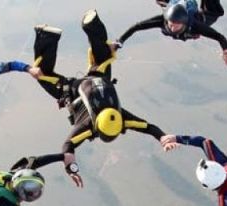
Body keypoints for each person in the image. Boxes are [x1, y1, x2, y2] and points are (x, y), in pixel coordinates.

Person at [32, 10, 178, 187]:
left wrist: (162, 137)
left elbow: (148, 127)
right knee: (43, 76)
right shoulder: (88, 125)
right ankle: (46, 36)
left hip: (99, 76)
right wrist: (71, 168)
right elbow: (68, 146)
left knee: (102, 57)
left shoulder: (122, 118)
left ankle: (92, 24)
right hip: (72, 89)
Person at [116, 0, 227, 63]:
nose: (172, 28)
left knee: (214, 12)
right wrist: (119, 42)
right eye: (171, 24)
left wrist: (225, 51)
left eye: (176, 25)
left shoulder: (195, 25)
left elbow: (219, 37)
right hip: (176, 6)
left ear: (183, 23)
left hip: (197, 18)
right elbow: (137, 27)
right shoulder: (163, 20)